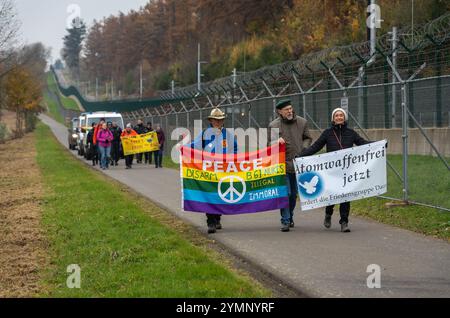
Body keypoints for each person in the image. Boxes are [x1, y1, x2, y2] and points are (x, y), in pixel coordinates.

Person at [297, 108, 370, 233]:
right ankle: (328, 213)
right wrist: (302, 155)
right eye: (337, 115)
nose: (339, 117)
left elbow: (363, 143)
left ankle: (344, 222)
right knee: (332, 197)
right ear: (333, 118)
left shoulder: (351, 133)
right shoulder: (327, 133)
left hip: (347, 171)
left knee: (345, 196)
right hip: (332, 171)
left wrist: (379, 144)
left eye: (341, 115)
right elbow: (316, 146)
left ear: (344, 118)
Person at [190, 108, 238, 234]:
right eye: (215, 120)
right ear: (211, 121)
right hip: (208, 170)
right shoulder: (205, 134)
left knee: (220, 195)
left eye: (220, 120)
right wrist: (183, 147)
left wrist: (231, 160)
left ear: (223, 121)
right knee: (209, 195)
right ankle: (210, 222)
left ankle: (217, 218)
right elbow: (195, 146)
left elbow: (234, 150)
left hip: (223, 171)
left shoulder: (228, 135)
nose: (217, 122)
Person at [269, 99, 312, 232]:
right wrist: (276, 141)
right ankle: (285, 220)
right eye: (286, 109)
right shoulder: (274, 125)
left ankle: (290, 216)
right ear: (279, 112)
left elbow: (307, 138)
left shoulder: (302, 122)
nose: (289, 111)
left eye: (290, 108)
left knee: (293, 195)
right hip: (282, 165)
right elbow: (269, 144)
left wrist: (303, 149)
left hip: (297, 164)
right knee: (285, 193)